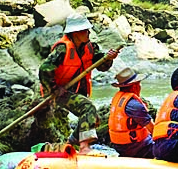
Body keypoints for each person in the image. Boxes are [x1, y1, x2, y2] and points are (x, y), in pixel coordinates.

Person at [29, 16, 123, 146]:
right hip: (59, 91)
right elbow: (44, 69)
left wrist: (109, 58)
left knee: (93, 119)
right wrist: (55, 89)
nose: (88, 33)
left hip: (76, 90)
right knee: (88, 108)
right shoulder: (63, 49)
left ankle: (70, 143)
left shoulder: (91, 47)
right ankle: (84, 146)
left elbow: (102, 66)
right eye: (85, 31)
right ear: (75, 33)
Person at [104, 66, 157, 159]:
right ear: (135, 86)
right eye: (139, 84)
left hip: (119, 146)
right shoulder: (134, 105)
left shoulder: (118, 99)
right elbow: (152, 129)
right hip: (136, 147)